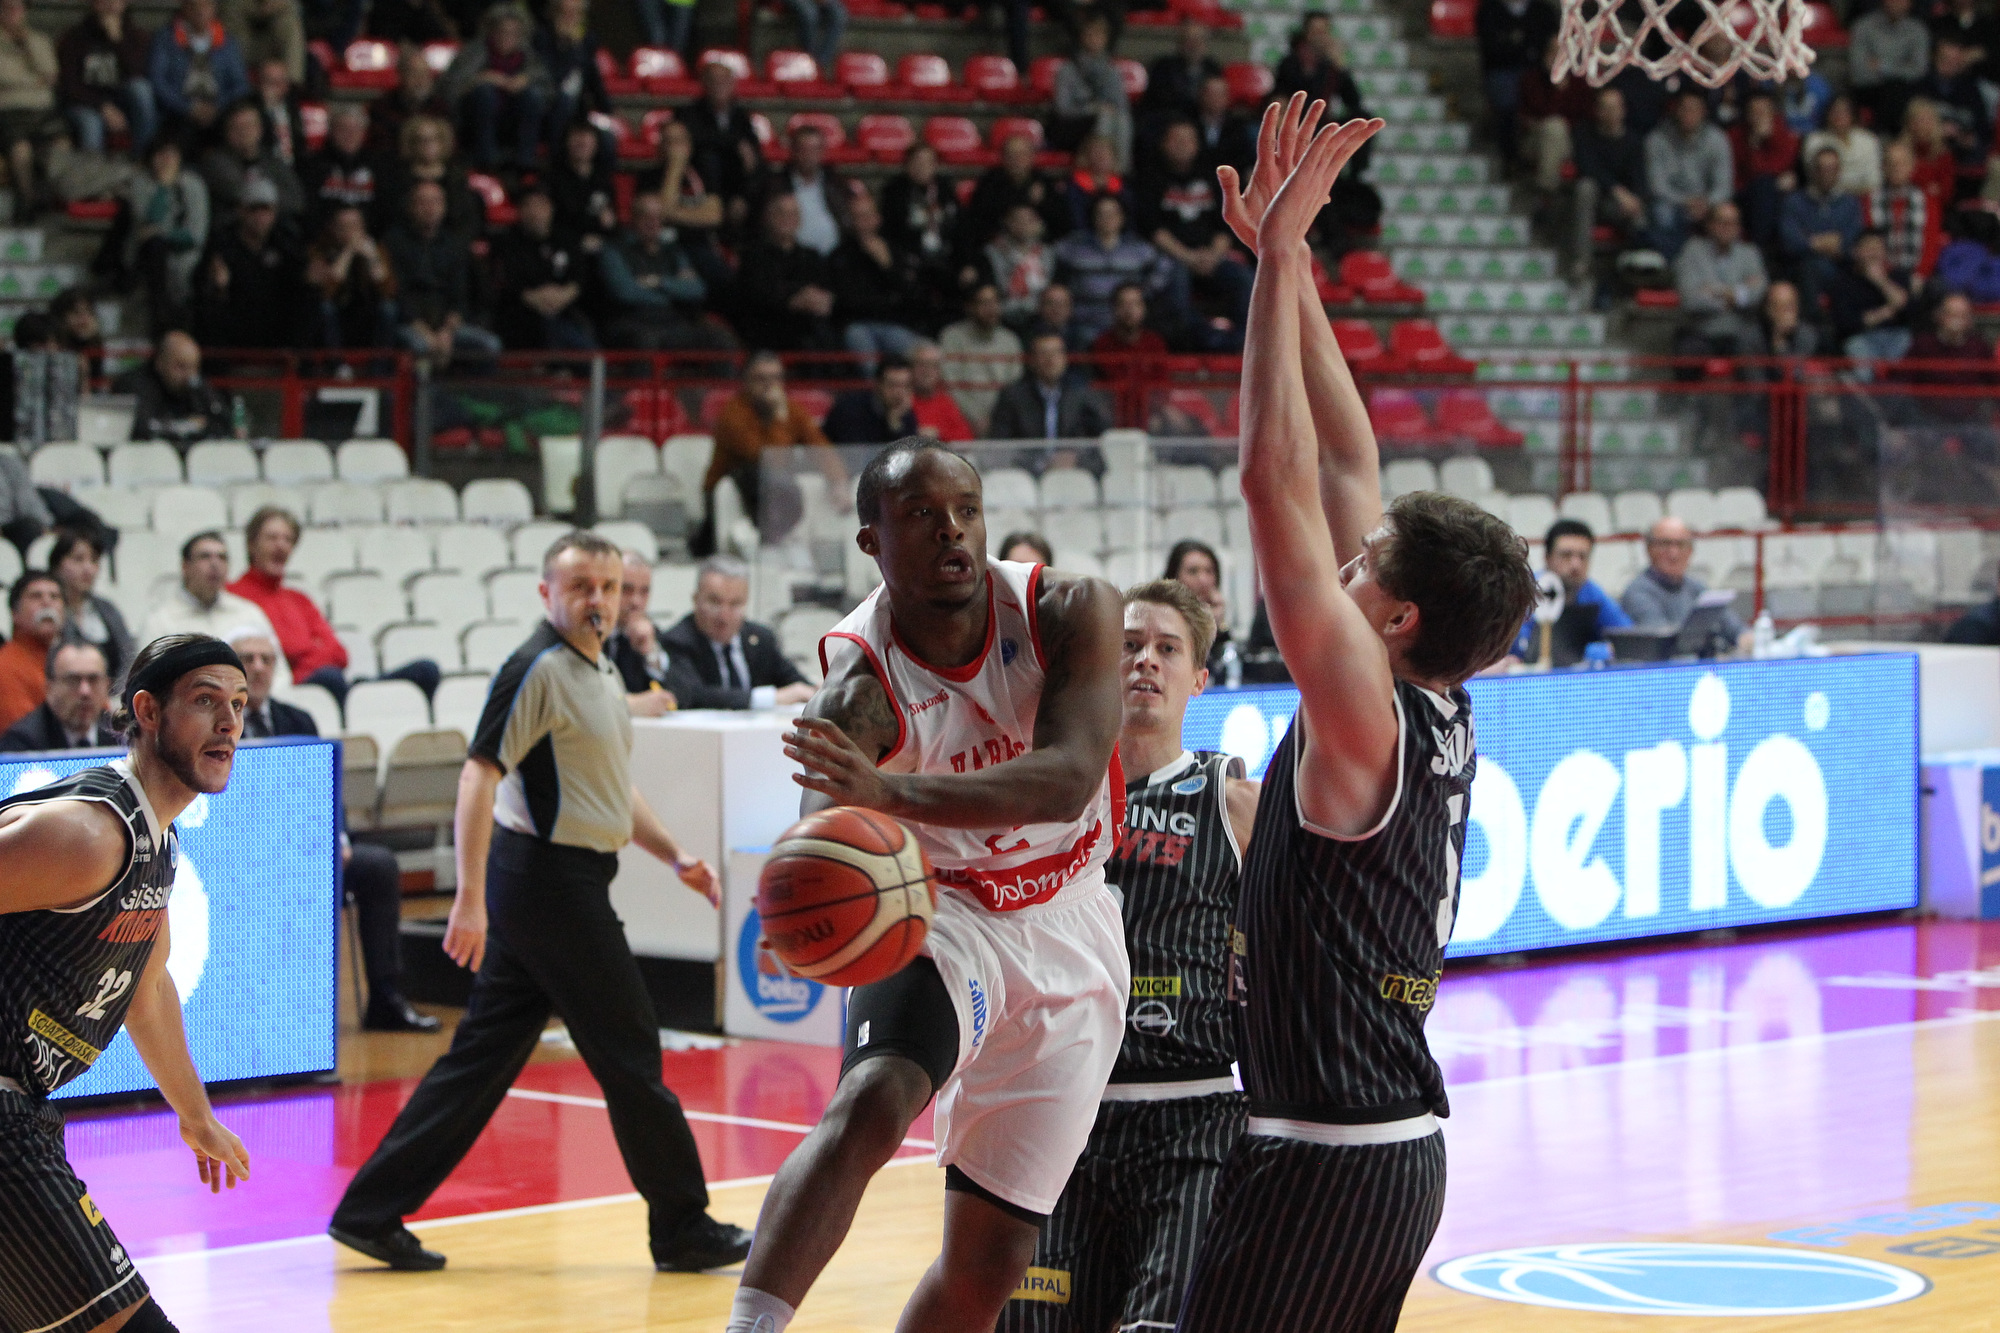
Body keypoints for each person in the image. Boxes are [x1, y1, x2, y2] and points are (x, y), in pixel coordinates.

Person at [1171, 97, 1535, 1333]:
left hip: (1329, 1152)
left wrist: (1277, 259)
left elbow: (1269, 479)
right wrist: (1291, 265)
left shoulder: (1365, 715)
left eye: (1366, 564)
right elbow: (1340, 462)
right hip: (1371, 1147)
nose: (1347, 557)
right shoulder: (1425, 696)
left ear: (1396, 619)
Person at [723, 437, 1127, 1333]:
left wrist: (892, 791)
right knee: (874, 1098)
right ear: (871, 541)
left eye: (965, 511)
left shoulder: (1069, 609)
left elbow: (1067, 777)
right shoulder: (858, 688)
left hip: (1071, 916)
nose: (951, 530)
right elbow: (823, 836)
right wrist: (800, 894)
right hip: (943, 912)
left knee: (990, 1261)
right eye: (920, 515)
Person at [330, 532, 750, 1274]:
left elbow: (611, 785)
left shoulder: (600, 668)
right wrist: (468, 898)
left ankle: (368, 1212)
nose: (597, 600)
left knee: (481, 1058)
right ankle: (682, 1224)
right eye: (581, 586)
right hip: (549, 884)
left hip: (562, 882)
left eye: (608, 587)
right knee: (630, 1048)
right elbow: (477, 776)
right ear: (546, 593)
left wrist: (674, 854)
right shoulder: (536, 668)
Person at [1000, 577, 1257, 1333]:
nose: (1146, 661)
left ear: (1198, 678)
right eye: (1130, 645)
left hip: (1191, 1117)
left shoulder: (1232, 800)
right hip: (1062, 1114)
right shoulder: (1049, 791)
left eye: (1167, 649)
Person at [0, 633, 253, 1333]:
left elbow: (147, 988)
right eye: (206, 701)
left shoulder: (152, 840)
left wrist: (195, 1114)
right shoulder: (90, 834)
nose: (229, 722)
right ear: (147, 710)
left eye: (238, 704)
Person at [229, 628, 437, 1031]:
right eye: (247, 659)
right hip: (244, 855)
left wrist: (337, 838)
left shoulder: (298, 720)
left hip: (303, 849)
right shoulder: (217, 724)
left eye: (266, 659)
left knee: (378, 865)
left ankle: (385, 998)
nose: (258, 667)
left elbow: (324, 787)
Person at [231, 507, 440, 702]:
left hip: (327, 683)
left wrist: (302, 665)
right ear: (251, 544)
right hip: (291, 693)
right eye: (272, 538)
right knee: (330, 678)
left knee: (425, 671)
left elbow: (338, 652)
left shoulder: (299, 599)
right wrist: (309, 657)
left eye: (288, 539)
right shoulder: (233, 597)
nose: (281, 545)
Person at [705, 351, 844, 547]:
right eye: (761, 378)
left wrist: (838, 480)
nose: (769, 385)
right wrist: (779, 418)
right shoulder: (733, 414)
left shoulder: (792, 410)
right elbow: (767, 460)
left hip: (774, 495)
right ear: (746, 381)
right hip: (729, 497)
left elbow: (820, 446)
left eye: (776, 378)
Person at [1134, 119, 1253, 339]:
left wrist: (1213, 256)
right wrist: (1188, 257)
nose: (1183, 144)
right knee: (1175, 283)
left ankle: (1242, 343)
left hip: (1211, 256)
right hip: (1173, 257)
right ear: (1163, 144)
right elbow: (1153, 229)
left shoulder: (1211, 175)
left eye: (1188, 139)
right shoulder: (1150, 177)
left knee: (1244, 278)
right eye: (1177, 139)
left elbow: (1226, 223)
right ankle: (1195, 340)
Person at [659, 555, 814, 710]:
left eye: (735, 604)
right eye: (715, 602)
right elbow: (693, 695)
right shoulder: (678, 641)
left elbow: (798, 685)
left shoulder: (760, 638)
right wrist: (771, 698)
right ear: (696, 599)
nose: (724, 616)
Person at [596, 189, 731, 351]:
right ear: (633, 218)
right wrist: (676, 290)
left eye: (658, 217)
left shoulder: (673, 252)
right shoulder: (614, 250)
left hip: (673, 323)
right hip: (633, 322)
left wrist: (657, 282)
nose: (653, 222)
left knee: (719, 338)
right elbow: (625, 292)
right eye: (646, 216)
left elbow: (697, 289)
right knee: (645, 341)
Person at [384, 177, 500, 364]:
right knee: (420, 346)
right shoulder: (395, 243)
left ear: (444, 207)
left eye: (435, 202)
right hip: (410, 324)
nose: (430, 208)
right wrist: (426, 334)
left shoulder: (454, 245)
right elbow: (399, 295)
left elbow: (460, 296)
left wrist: (446, 333)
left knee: (491, 345)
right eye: (423, 202)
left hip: (446, 327)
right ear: (411, 207)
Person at [194, 175, 306, 349]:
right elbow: (198, 284)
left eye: (266, 209)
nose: (260, 216)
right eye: (254, 209)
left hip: (275, 331)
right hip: (233, 331)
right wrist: (219, 288)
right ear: (241, 210)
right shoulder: (222, 245)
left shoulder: (284, 245)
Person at [1504, 518, 1631, 665]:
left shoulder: (1592, 593)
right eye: (1566, 555)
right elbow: (1518, 648)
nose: (1576, 565)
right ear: (1547, 558)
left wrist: (1600, 650)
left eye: (1583, 556)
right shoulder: (1523, 593)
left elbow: (1627, 638)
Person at [440, 4, 550, 173]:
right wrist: (479, 80)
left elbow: (548, 88)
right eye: (502, 32)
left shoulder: (528, 56)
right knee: (485, 93)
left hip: (513, 117)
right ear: (491, 31)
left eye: (513, 33)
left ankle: (525, 160)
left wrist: (526, 81)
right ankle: (487, 160)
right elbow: (449, 89)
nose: (507, 37)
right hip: (475, 119)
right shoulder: (473, 53)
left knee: (531, 95)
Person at [142, 530, 285, 658]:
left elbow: (280, 673)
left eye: (222, 557)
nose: (215, 564)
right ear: (185, 566)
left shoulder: (250, 613)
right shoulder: (161, 621)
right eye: (205, 557)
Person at [489, 184, 594, 350]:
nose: (535, 212)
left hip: (566, 310)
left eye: (540, 205)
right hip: (522, 315)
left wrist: (562, 296)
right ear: (520, 211)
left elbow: (579, 277)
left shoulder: (567, 239)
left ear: (550, 208)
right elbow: (509, 283)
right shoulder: (507, 243)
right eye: (529, 206)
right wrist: (537, 299)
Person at [121, 137, 209, 334]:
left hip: (185, 255)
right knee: (154, 246)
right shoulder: (140, 184)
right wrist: (163, 188)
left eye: (172, 154)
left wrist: (164, 234)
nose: (166, 160)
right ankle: (160, 318)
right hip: (146, 255)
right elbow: (147, 224)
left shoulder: (193, 185)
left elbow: (195, 235)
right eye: (161, 154)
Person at [734, 192, 841, 353]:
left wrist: (822, 299)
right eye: (781, 213)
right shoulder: (753, 255)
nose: (787, 218)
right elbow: (756, 293)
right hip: (769, 327)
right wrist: (793, 300)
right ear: (768, 217)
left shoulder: (811, 256)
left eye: (792, 214)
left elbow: (827, 289)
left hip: (810, 327)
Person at [830, 190, 925, 367]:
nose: (863, 222)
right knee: (868, 360)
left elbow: (912, 293)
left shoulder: (895, 252)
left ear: (877, 218)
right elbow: (844, 299)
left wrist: (887, 266)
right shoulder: (840, 255)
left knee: (925, 356)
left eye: (867, 216)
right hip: (858, 325)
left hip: (894, 324)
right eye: (857, 217)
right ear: (850, 221)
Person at [1622, 514, 1747, 643]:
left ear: (1691, 551)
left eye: (1681, 544)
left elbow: (1737, 630)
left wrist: (1746, 639)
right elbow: (1664, 643)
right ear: (1649, 549)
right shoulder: (1638, 593)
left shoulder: (1698, 588)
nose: (1674, 553)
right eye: (1665, 544)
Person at [57, 0, 156, 156]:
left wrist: (117, 41)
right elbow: (70, 85)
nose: (110, 5)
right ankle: (93, 169)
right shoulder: (74, 37)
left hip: (122, 99)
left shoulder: (136, 36)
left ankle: (143, 157)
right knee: (91, 123)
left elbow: (138, 72)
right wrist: (102, 106)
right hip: (85, 102)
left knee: (141, 89)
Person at [1645, 89, 1733, 260]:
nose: (1689, 114)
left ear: (1704, 112)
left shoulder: (1717, 139)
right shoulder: (1657, 139)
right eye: (1684, 108)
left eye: (1694, 109)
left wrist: (1707, 202)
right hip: (1673, 201)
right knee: (1662, 212)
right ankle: (1671, 264)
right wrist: (1686, 202)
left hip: (1707, 202)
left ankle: (1720, 267)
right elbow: (1657, 186)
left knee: (1726, 213)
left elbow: (1724, 185)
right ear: (1676, 110)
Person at [1571, 85, 1648, 278]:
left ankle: (1635, 274)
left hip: (1618, 205)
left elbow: (1640, 178)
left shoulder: (1633, 141)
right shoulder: (1584, 133)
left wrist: (1634, 200)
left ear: (1623, 110)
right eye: (1605, 108)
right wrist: (1617, 191)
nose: (1611, 113)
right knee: (1585, 188)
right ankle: (1582, 262)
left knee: (1640, 213)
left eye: (1615, 107)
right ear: (1597, 111)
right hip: (1593, 200)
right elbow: (1588, 168)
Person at [1673, 200, 1768, 356]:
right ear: (1710, 225)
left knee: (1755, 349)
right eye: (1722, 222)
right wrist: (1739, 294)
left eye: (1733, 223)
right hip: (1700, 333)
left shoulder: (1750, 253)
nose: (1727, 228)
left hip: (1741, 333)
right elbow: (1691, 300)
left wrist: (1715, 291)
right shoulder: (1692, 251)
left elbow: (1758, 295)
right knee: (1688, 351)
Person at [987, 331, 1115, 442]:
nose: (1050, 359)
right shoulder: (1013, 397)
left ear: (1065, 359)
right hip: (1027, 463)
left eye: (1056, 353)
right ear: (1032, 361)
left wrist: (1076, 456)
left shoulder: (1083, 395)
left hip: (1072, 463)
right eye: (1043, 353)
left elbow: (1100, 441)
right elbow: (1000, 443)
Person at [147, 0, 247, 141]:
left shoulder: (228, 41)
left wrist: (217, 106)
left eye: (206, 6)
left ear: (214, 9)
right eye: (194, 6)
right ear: (185, 8)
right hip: (177, 113)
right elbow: (157, 81)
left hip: (219, 112)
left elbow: (240, 84)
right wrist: (188, 108)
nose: (200, 11)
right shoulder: (166, 39)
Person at [962, 132, 1069, 260]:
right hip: (999, 248)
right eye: (1011, 155)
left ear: (1031, 157)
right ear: (1003, 158)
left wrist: (1043, 203)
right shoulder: (990, 182)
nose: (1017, 159)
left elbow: (1062, 222)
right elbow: (977, 221)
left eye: (1022, 154)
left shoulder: (1043, 183)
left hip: (1038, 249)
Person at [197, 97, 304, 226]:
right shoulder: (216, 162)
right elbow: (240, 192)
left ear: (260, 128)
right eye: (237, 127)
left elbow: (296, 201)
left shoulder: (273, 162)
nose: (244, 133)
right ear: (226, 132)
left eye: (249, 126)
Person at [377, 112, 484, 241]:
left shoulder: (457, 178)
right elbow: (390, 218)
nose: (427, 144)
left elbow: (467, 218)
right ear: (411, 144)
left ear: (443, 142)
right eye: (421, 140)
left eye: (433, 139)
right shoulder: (397, 178)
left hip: (451, 243)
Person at [114, 330, 231, 446]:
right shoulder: (134, 384)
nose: (189, 375)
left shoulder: (196, 386)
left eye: (194, 367)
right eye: (181, 366)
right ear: (160, 362)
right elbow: (142, 429)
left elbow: (221, 422)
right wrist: (187, 426)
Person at [1475, 0, 1559, 164]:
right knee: (1507, 97)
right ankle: (1509, 158)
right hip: (1503, 71)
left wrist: (1517, 44)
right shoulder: (1489, 10)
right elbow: (1491, 50)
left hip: (1539, 71)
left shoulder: (1543, 10)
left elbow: (1551, 44)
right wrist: (1527, 50)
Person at [1781, 145, 1864, 308]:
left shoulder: (1850, 203)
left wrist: (1813, 241)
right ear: (1812, 171)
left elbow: (1853, 240)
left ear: (1839, 171)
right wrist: (1816, 244)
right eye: (1821, 169)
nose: (1826, 174)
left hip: (1843, 268)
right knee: (1808, 269)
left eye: (1831, 169)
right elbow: (1790, 241)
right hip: (1805, 268)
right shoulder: (1794, 202)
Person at [308, 203, 398, 348]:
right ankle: (335, 361)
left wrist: (372, 259)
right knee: (325, 308)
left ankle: (381, 361)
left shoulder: (376, 249)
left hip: (366, 315)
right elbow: (325, 294)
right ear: (333, 228)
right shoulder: (321, 250)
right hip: (337, 315)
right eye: (344, 227)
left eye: (355, 226)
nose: (350, 232)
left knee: (388, 309)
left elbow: (388, 292)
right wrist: (348, 253)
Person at [51, 530, 134, 685]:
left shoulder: (107, 608)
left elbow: (128, 657)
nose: (88, 568)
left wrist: (120, 693)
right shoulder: (51, 612)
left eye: (94, 560)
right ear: (57, 565)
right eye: (78, 559)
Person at [0, 639, 113, 751]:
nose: (85, 691)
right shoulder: (22, 744)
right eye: (73, 680)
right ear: (49, 688)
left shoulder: (118, 734)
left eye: (93, 680)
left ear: (107, 685)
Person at [943, 284, 1028, 432]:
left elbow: (1015, 385)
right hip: (961, 419)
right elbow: (950, 384)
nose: (991, 309)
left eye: (995, 302)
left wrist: (999, 418)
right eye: (984, 303)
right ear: (970, 307)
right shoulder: (952, 337)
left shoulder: (1010, 340)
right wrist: (974, 416)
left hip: (1003, 421)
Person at [1053, 15, 1131, 169]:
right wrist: (1093, 109)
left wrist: (1106, 110)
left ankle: (1121, 169)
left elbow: (1121, 105)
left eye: (1099, 34)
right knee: (1103, 117)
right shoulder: (1067, 70)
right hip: (1074, 126)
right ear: (1082, 37)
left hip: (1108, 121)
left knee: (1122, 119)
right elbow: (1062, 109)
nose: (1094, 39)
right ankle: (1098, 168)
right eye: (1090, 34)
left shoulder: (1112, 71)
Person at [1828, 229, 1914, 361]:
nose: (1873, 253)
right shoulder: (1843, 282)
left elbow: (1907, 309)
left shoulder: (1898, 276)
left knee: (1907, 341)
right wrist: (1886, 312)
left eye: (1878, 248)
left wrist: (1881, 281)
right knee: (1857, 348)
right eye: (1868, 248)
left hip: (1895, 335)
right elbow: (1846, 323)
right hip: (1860, 337)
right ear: (1856, 252)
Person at [1868, 138, 1943, 282]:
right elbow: (1868, 245)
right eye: (1891, 163)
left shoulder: (1928, 201)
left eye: (1902, 163)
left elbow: (1931, 244)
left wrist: (1920, 275)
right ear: (1883, 167)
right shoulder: (1869, 201)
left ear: (1912, 167)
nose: (1896, 168)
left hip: (1918, 275)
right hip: (1879, 276)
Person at [1849, 0, 1930, 132]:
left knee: (1898, 90)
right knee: (1891, 91)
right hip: (1869, 89)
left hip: (1905, 90)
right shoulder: (1863, 26)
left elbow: (1919, 71)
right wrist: (1902, 68)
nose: (1897, 3)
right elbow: (1858, 72)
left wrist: (1882, 66)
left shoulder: (1918, 30)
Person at [0, 572, 66, 733]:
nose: (47, 602)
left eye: (54, 596)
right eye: (36, 596)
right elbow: (20, 736)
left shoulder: (77, 662)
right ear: (15, 614)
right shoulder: (6, 667)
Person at [302, 103, 382, 233]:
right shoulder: (312, 165)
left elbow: (383, 209)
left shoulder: (378, 166)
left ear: (363, 133)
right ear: (331, 131)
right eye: (343, 129)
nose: (349, 135)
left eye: (355, 129)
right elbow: (309, 209)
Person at [366, 41, 451, 158]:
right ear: (401, 75)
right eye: (414, 73)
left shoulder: (441, 108)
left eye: (424, 73)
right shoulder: (382, 107)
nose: (420, 80)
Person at [1165, 537, 1233, 676]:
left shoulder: (1215, 613)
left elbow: (1222, 668)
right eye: (1193, 571)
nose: (1203, 580)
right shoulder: (1161, 616)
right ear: (1174, 576)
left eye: (1209, 571)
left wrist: (1217, 625)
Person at [1141, 16, 1223, 131]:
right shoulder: (1163, 68)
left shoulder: (1213, 68)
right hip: (1170, 124)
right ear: (1180, 43)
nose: (1194, 46)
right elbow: (1157, 103)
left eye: (1198, 40)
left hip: (1204, 125)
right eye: (1188, 40)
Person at [547, 115, 618, 242]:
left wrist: (609, 223)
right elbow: (556, 222)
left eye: (587, 141)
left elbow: (611, 220)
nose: (582, 143)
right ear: (566, 143)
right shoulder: (554, 179)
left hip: (602, 242)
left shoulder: (603, 179)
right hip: (566, 243)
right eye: (577, 140)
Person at [824, 356, 919, 445]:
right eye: (892, 385)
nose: (899, 392)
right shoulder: (851, 409)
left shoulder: (904, 413)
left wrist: (895, 425)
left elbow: (908, 452)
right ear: (878, 385)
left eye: (905, 386)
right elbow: (859, 452)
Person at [1801, 93, 1882, 198]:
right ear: (1827, 114)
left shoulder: (1868, 140)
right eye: (1835, 111)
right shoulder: (1814, 141)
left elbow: (1875, 180)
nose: (1839, 115)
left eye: (1845, 111)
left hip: (1866, 198)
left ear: (1853, 115)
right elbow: (1820, 179)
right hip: (1826, 198)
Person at [909, 340, 974, 442]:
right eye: (922, 365)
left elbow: (966, 439)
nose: (927, 372)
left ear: (939, 371)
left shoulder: (946, 402)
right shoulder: (902, 399)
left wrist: (939, 434)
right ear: (910, 368)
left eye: (933, 366)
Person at [1090, 280, 1168, 363]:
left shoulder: (1155, 344)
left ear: (1144, 308)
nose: (1129, 310)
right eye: (1123, 304)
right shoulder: (1101, 345)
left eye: (1135, 304)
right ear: (1114, 308)